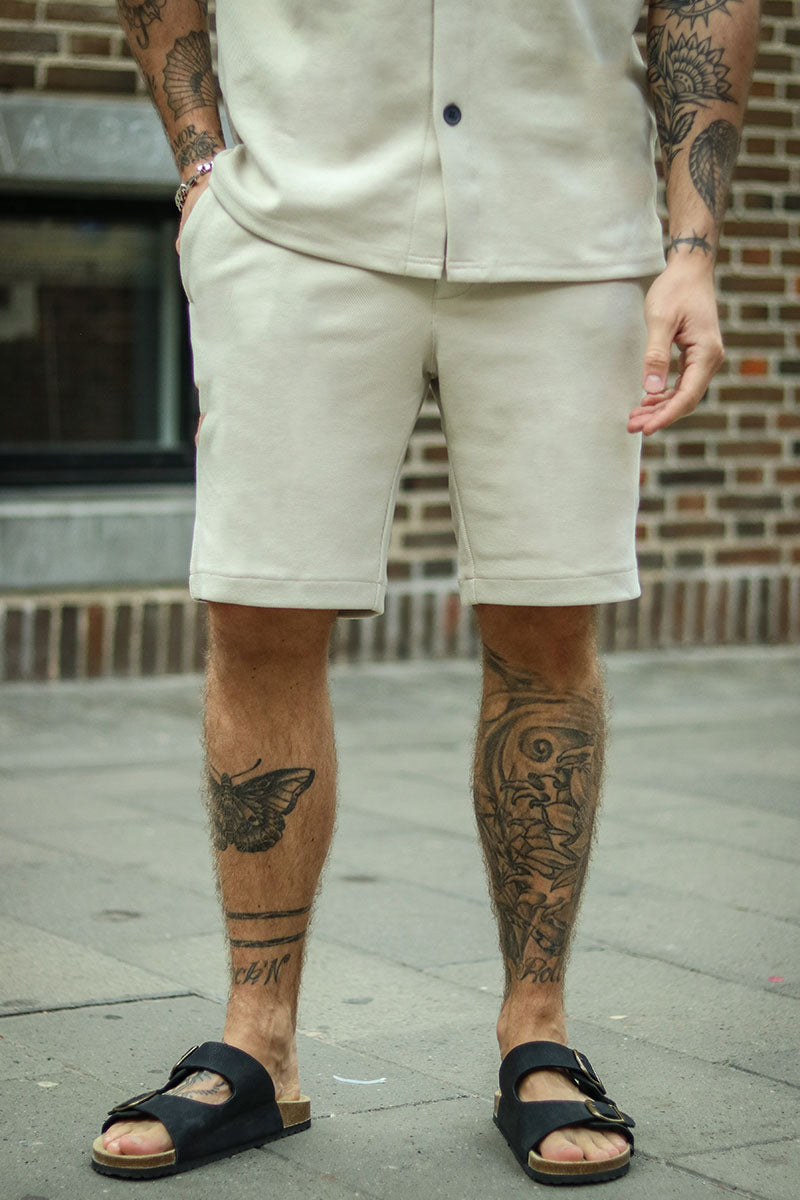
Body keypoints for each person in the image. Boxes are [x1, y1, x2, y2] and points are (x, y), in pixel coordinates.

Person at [92, 0, 759, 1185]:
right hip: (294, 220)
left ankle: (535, 1034)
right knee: (257, 615)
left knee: (546, 626)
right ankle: (258, 1042)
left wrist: (689, 245)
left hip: (567, 227)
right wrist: (198, 162)